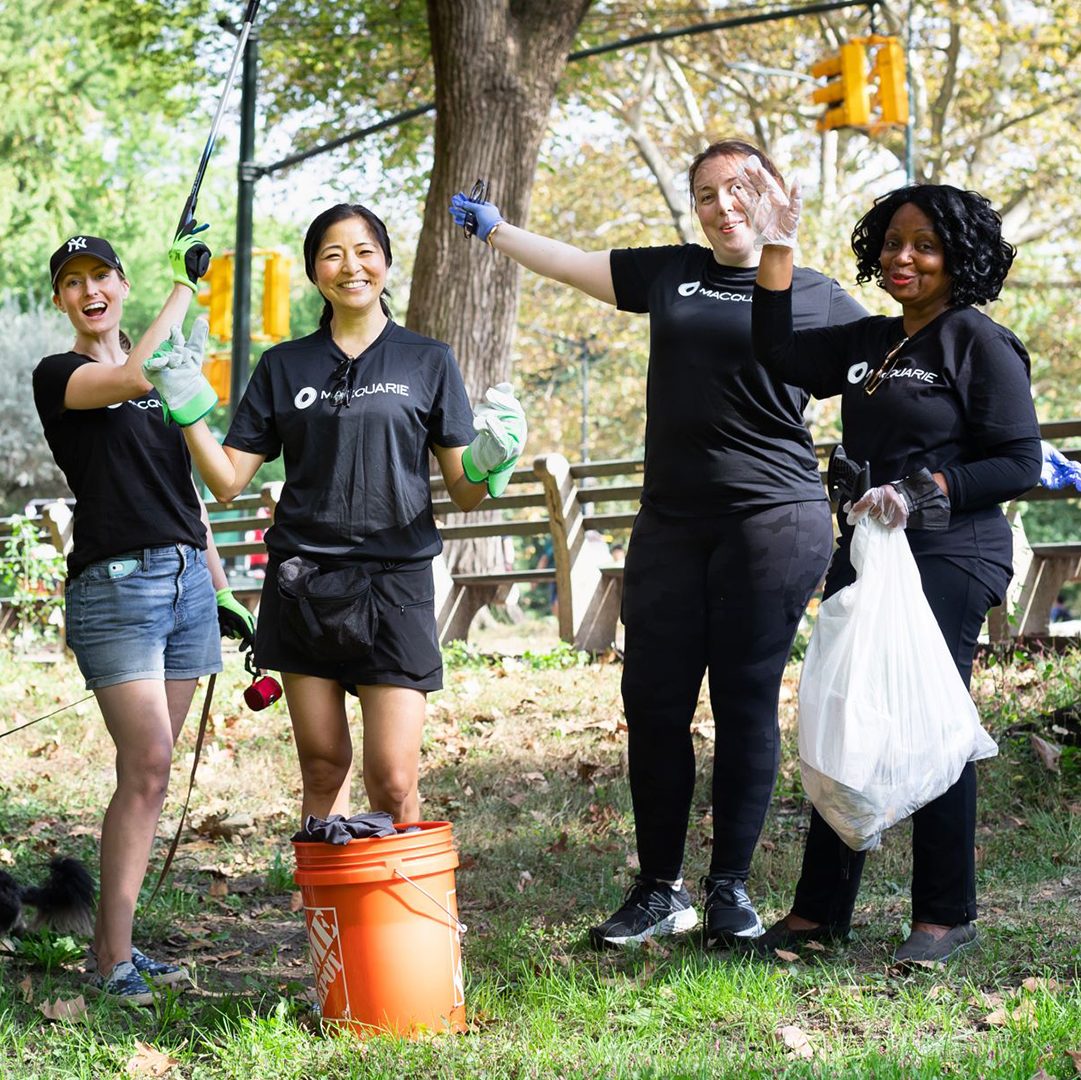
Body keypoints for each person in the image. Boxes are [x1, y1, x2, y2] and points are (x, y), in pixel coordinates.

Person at [450, 139, 866, 949]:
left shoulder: (820, 299)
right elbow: (571, 263)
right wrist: (495, 230)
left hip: (771, 523)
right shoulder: (671, 272)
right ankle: (659, 887)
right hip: (671, 523)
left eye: (741, 188)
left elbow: (884, 376)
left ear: (777, 195)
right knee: (652, 705)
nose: (723, 205)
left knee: (745, 701)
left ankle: (729, 891)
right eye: (706, 193)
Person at [739, 161, 1043, 961]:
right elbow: (773, 347)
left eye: (926, 246)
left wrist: (928, 487)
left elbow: (1018, 459)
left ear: (960, 257)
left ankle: (944, 916)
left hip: (952, 551)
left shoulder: (975, 340)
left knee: (925, 717)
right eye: (893, 244)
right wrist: (777, 242)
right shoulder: (872, 340)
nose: (905, 258)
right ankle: (817, 915)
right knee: (843, 714)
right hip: (870, 552)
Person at [143, 202, 526, 828]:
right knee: (323, 765)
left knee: (394, 779)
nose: (351, 266)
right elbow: (227, 483)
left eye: (365, 250)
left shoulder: (427, 360)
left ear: (386, 261)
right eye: (332, 253)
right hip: (303, 584)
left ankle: (410, 924)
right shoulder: (283, 365)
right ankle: (326, 922)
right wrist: (189, 411)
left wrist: (489, 458)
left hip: (395, 583)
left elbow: (462, 490)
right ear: (315, 272)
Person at [32, 226, 253, 1004]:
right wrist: (189, 285)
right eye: (73, 282)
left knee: (149, 778)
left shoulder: (164, 379)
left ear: (122, 285)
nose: (90, 290)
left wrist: (222, 587)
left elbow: (186, 494)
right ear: (61, 300)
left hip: (187, 582)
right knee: (150, 762)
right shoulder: (60, 374)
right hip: (115, 589)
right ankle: (112, 960)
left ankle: (112, 948)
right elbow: (132, 371)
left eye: (102, 276)